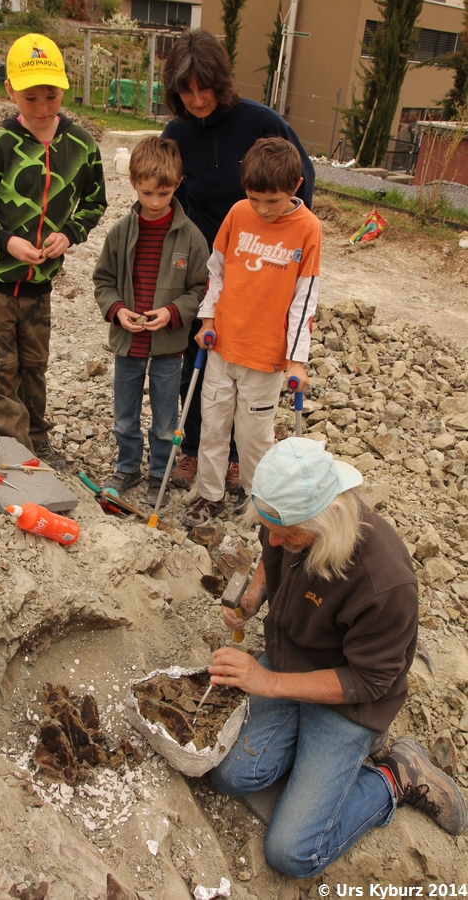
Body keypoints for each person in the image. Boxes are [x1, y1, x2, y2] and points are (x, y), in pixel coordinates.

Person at [208, 438, 467, 879]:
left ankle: (395, 776)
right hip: (289, 662)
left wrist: (267, 683)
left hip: (350, 701)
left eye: (286, 532)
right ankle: (310, 761)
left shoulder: (382, 581)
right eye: (268, 525)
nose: (273, 539)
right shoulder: (286, 519)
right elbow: (272, 555)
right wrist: (252, 599)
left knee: (291, 852)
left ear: (323, 521)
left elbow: (370, 681)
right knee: (230, 776)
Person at [162, 28, 315, 492]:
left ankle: (235, 458)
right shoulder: (176, 133)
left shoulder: (260, 123)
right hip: (200, 264)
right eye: (185, 90)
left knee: (248, 358)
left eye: (204, 86)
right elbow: (170, 194)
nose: (197, 98)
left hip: (259, 262)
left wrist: (278, 246)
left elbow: (301, 182)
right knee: (199, 351)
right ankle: (192, 449)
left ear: (220, 81)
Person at [0, 33, 106, 470]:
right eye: (30, 97)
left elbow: (95, 201)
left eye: (51, 96)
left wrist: (70, 234)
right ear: (10, 91)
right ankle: (17, 456)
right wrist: (6, 240)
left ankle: (38, 442)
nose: (41, 108)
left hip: (39, 285)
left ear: (64, 89)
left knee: (33, 367)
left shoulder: (82, 147)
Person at [183, 137, 321, 527]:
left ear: (295, 185)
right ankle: (209, 494)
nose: (262, 209)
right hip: (222, 347)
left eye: (272, 202)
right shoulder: (238, 214)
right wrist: (208, 320)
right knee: (212, 427)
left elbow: (304, 300)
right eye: (254, 198)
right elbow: (217, 271)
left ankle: (254, 495)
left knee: (253, 437)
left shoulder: (308, 229)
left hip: (266, 359)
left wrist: (297, 360)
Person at [93, 137, 208, 507]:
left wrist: (172, 313)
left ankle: (159, 472)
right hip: (127, 344)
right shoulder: (120, 232)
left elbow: (200, 288)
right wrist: (118, 311)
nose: (156, 202)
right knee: (124, 415)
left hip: (168, 348)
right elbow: (103, 281)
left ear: (177, 184)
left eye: (165, 192)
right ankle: (127, 467)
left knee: (164, 420)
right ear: (132, 183)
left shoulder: (191, 237)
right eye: (147, 193)